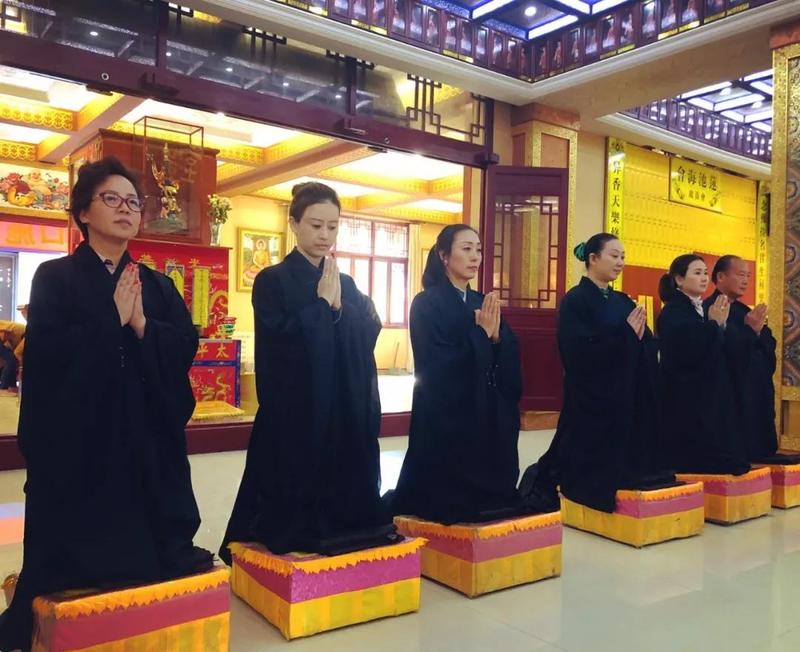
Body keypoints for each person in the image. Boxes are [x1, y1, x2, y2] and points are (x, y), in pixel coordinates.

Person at [0, 157, 212, 651]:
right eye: (111, 199)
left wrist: (141, 327)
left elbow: (184, 344)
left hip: (143, 433)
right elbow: (50, 356)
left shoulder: (156, 284)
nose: (125, 209)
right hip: (83, 437)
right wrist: (108, 320)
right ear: (83, 213)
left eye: (133, 202)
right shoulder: (55, 279)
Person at [220, 182, 396, 560]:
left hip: (341, 400)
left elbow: (368, 327)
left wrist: (337, 312)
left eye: (332, 227)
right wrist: (320, 309)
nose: (324, 235)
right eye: (316, 225)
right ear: (294, 223)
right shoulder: (272, 280)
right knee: (293, 483)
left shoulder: (344, 281)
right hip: (296, 406)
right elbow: (278, 342)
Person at [388, 224, 542, 524]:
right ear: (444, 256)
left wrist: (496, 338)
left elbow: (507, 347)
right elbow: (435, 361)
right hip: (445, 405)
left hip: (482, 401)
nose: (475, 257)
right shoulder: (426, 303)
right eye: (466, 249)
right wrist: (481, 335)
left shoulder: (480, 301)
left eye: (479, 249)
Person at [520, 234, 673, 514]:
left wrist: (640, 341)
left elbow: (646, 342)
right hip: (592, 393)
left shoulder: (622, 301)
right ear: (593, 258)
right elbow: (578, 351)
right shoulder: (575, 301)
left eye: (623, 257)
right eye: (614, 256)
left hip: (625, 391)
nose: (620, 262)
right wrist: (626, 337)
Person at [656, 254, 750, 475]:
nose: (704, 278)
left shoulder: (696, 308)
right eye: (697, 273)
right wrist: (715, 324)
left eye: (705, 273)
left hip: (705, 389)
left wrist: (718, 326)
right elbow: (690, 348)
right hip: (685, 390)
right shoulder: (674, 311)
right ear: (679, 280)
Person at [704, 256, 794, 463]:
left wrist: (756, 332)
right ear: (720, 277)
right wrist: (749, 331)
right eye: (739, 274)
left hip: (757, 392)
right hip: (733, 394)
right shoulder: (710, 309)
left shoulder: (746, 311)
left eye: (748, 275)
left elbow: (768, 345)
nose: (745, 280)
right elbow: (723, 350)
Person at [0, 319, 24, 394]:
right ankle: (4, 388)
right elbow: (17, 354)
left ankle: (10, 387)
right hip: (5, 336)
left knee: (11, 362)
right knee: (12, 361)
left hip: (7, 338)